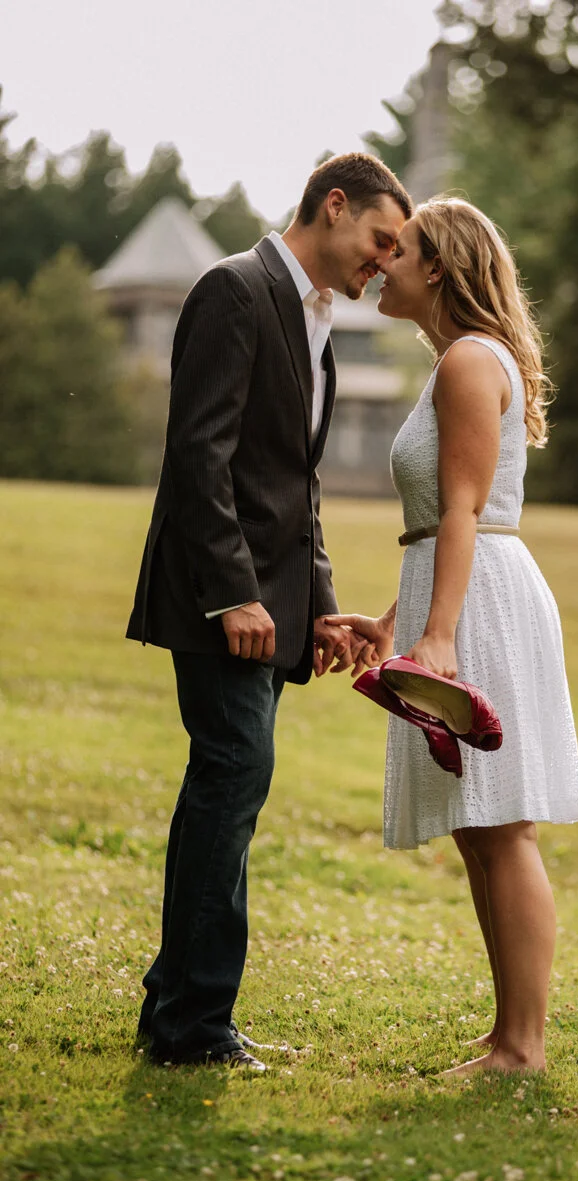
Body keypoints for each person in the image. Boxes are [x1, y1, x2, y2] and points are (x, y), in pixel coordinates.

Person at [127, 153, 411, 1070]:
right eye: (381, 240)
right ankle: (194, 1026)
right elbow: (198, 456)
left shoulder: (311, 316)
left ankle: (177, 1006)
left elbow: (295, 482)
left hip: (271, 604)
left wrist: (318, 605)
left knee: (228, 782)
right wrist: (235, 593)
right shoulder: (235, 290)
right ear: (335, 206)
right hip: (219, 600)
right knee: (234, 773)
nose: (385, 263)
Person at [327, 198, 578, 1075]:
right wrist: (393, 622)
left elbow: (466, 512)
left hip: (486, 604)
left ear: (437, 267)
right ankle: (509, 1031)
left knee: (503, 827)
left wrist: (437, 637)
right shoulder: (460, 360)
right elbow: (443, 523)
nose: (381, 263)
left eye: (398, 251)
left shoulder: (471, 361)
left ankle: (524, 1046)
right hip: (462, 592)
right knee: (480, 828)